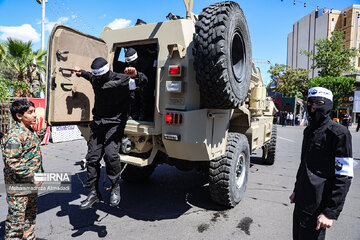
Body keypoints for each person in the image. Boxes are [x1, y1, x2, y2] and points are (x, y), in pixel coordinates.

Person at [74, 57, 147, 209]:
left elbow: (144, 82)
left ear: (107, 71)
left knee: (111, 154)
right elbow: (89, 76)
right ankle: (93, 192)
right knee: (92, 158)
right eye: (96, 75)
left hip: (115, 122)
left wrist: (136, 75)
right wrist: (81, 72)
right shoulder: (95, 78)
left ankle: (115, 186)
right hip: (99, 122)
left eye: (100, 75)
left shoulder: (122, 80)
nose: (98, 78)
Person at [289, 87, 353, 240]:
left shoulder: (339, 133)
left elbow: (344, 176)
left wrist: (330, 212)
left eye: (319, 102)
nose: (314, 107)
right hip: (301, 202)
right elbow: (304, 164)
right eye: (311, 103)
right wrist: (296, 190)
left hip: (318, 206)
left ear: (329, 105)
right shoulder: (308, 131)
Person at [1, 100, 47, 239]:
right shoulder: (14, 136)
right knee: (16, 220)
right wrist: (33, 176)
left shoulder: (28, 130)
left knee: (30, 216)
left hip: (30, 183)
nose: (35, 115)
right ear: (19, 115)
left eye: (34, 111)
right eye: (30, 112)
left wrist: (43, 129)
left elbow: (32, 145)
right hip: (18, 185)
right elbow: (13, 162)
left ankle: (29, 237)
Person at [124, 48, 148, 121]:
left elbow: (145, 78)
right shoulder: (128, 65)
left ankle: (143, 114)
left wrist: (137, 75)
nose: (129, 64)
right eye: (128, 62)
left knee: (143, 97)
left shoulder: (143, 63)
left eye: (131, 62)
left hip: (143, 83)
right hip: (132, 85)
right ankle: (134, 114)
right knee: (131, 97)